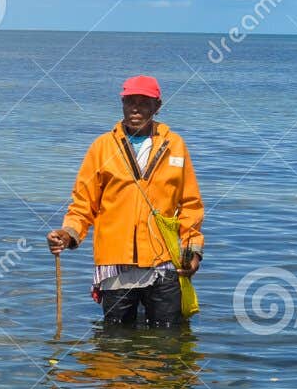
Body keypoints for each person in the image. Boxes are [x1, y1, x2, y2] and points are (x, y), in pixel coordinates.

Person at [46, 75, 205, 327]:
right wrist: (67, 234)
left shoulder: (175, 146)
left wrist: (193, 250)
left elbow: (190, 205)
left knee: (168, 341)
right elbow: (83, 204)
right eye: (130, 101)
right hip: (115, 265)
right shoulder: (102, 147)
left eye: (144, 102)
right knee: (116, 343)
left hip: (162, 263)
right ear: (122, 103)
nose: (136, 108)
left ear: (157, 106)